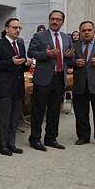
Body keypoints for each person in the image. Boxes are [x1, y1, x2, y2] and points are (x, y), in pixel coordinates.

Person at [27, 10, 74, 151]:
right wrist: (45, 54)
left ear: (62, 22)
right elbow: (30, 52)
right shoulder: (39, 36)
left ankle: (51, 138)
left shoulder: (67, 38)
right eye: (52, 19)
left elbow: (71, 57)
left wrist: (70, 55)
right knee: (38, 110)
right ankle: (35, 139)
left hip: (59, 78)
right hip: (43, 78)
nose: (55, 21)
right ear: (49, 20)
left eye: (58, 19)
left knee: (55, 110)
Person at [0, 17, 32, 156]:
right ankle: (1, 145)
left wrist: (26, 63)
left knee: (15, 118)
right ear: (7, 29)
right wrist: (10, 62)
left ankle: (11, 143)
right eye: (14, 27)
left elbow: (20, 64)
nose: (17, 30)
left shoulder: (20, 43)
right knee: (4, 117)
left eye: (19, 28)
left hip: (18, 86)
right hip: (4, 86)